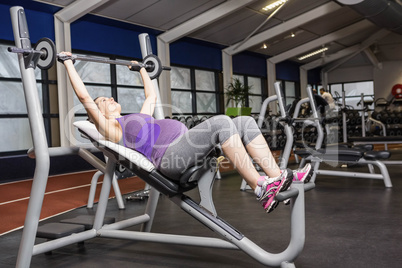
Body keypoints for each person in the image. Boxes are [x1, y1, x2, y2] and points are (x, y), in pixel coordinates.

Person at [58, 52, 312, 213]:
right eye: (105, 100)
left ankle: (278, 176)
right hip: (170, 158)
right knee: (222, 122)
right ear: (98, 113)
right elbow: (83, 96)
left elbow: (151, 94)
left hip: (184, 144)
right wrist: (69, 63)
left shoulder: (137, 117)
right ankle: (260, 187)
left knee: (244, 121)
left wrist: (143, 70)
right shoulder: (112, 128)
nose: (111, 98)